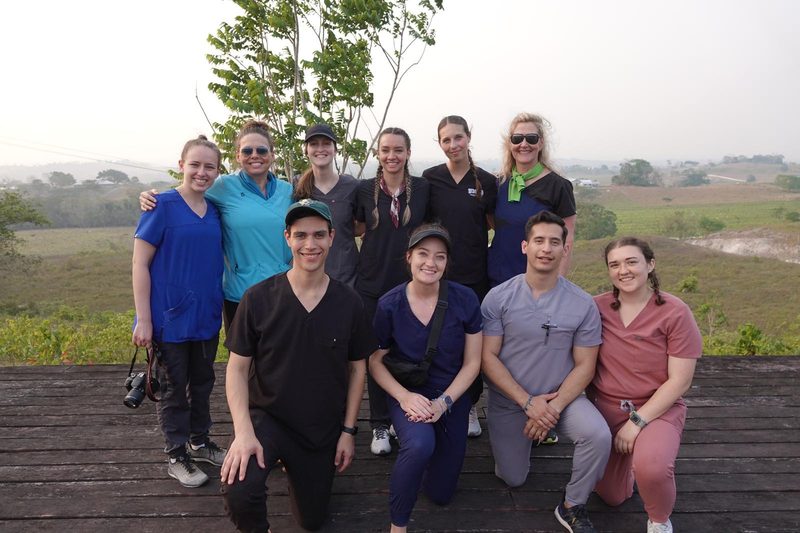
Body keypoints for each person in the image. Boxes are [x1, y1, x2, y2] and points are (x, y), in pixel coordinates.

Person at [220, 199, 373, 532]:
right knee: (240, 490)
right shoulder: (258, 298)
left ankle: (300, 473)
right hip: (269, 417)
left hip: (320, 427)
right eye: (300, 235)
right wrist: (243, 432)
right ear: (287, 237)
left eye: (319, 235)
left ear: (332, 237)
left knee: (312, 522)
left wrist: (348, 432)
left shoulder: (349, 302)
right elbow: (236, 369)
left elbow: (358, 368)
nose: (310, 244)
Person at [481, 211, 611, 533]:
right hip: (511, 400)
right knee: (513, 477)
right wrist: (528, 404)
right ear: (525, 246)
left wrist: (550, 409)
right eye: (539, 240)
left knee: (598, 435)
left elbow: (585, 366)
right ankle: (527, 438)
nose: (546, 248)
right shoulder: (498, 297)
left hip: (560, 400)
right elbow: (488, 358)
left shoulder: (582, 304)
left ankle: (572, 505)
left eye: (555, 242)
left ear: (565, 249)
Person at [369, 223, 482, 532]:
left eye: (440, 256)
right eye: (423, 254)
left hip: (452, 396)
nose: (430, 263)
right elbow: (376, 360)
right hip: (409, 391)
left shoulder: (465, 299)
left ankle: (427, 450)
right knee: (419, 446)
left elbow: (473, 363)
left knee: (440, 494)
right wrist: (404, 397)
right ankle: (398, 525)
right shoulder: (389, 304)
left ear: (447, 263)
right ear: (409, 257)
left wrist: (445, 402)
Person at [131, 135, 227, 488]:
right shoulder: (161, 205)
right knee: (173, 388)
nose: (202, 172)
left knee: (202, 383)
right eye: (196, 164)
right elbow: (140, 264)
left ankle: (199, 441)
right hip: (168, 317)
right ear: (181, 164)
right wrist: (144, 318)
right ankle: (176, 454)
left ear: (218, 171)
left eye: (210, 167)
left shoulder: (215, 208)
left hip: (205, 316)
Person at [588, 237, 703, 533]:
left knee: (652, 468)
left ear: (650, 265)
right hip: (607, 409)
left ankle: (660, 521)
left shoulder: (675, 312)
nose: (623, 270)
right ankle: (631, 466)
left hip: (657, 408)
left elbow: (681, 380)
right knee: (611, 497)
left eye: (631, 262)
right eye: (614, 264)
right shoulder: (596, 308)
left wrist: (637, 422)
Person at [140, 120, 293, 329]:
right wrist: (152, 197)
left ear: (272, 155)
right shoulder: (224, 186)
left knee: (283, 359)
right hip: (240, 294)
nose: (254, 155)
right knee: (242, 361)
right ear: (238, 156)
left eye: (261, 150)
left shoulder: (288, 191)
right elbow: (187, 193)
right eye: (247, 150)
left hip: (284, 290)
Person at [354, 127, 430, 455]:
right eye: (385, 149)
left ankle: (406, 417)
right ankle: (380, 423)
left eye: (398, 149)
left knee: (408, 352)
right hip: (371, 283)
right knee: (376, 355)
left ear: (408, 153)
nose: (391, 155)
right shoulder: (363, 190)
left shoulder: (424, 189)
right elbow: (354, 228)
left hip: (411, 285)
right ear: (377, 154)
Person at [423, 115, 498, 438]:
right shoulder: (430, 179)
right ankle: (436, 400)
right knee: (439, 341)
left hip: (476, 276)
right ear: (439, 144)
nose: (453, 145)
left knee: (473, 345)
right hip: (438, 276)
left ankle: (468, 405)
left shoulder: (486, 181)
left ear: (469, 137)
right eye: (446, 140)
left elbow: (494, 223)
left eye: (458, 138)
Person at [488, 112, 577, 287]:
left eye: (531, 138)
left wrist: (557, 285)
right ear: (509, 143)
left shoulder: (558, 186)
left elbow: (568, 239)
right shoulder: (499, 184)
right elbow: (492, 223)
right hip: (497, 277)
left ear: (541, 142)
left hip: (538, 281)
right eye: (517, 139)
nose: (524, 144)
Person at [293, 123, 359, 287]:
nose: (320, 149)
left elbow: (361, 225)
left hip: (346, 278)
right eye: (314, 144)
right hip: (308, 279)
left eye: (326, 143)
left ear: (335, 149)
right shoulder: (297, 186)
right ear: (306, 150)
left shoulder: (352, 186)